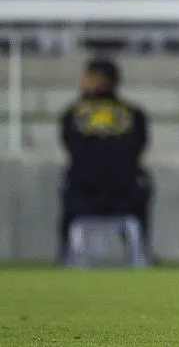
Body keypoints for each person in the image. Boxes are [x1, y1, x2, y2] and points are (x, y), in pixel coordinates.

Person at [59, 58, 153, 263]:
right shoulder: (134, 114)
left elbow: (71, 146)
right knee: (142, 182)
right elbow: (138, 146)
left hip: (83, 191)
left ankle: (65, 253)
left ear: (103, 79)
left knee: (67, 183)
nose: (83, 81)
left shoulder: (73, 113)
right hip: (124, 192)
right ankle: (139, 251)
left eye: (89, 77)